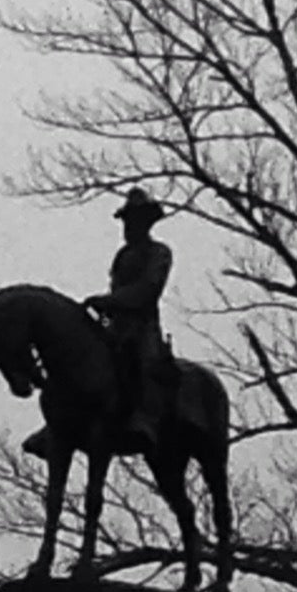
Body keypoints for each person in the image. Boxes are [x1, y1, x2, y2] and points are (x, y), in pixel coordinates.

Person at [86, 187, 174, 449]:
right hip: (114, 325)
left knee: (139, 359)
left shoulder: (159, 252)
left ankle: (144, 418)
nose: (128, 228)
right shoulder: (122, 255)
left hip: (142, 326)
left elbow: (148, 290)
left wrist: (109, 301)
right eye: (126, 222)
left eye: (134, 221)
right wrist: (101, 308)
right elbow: (116, 289)